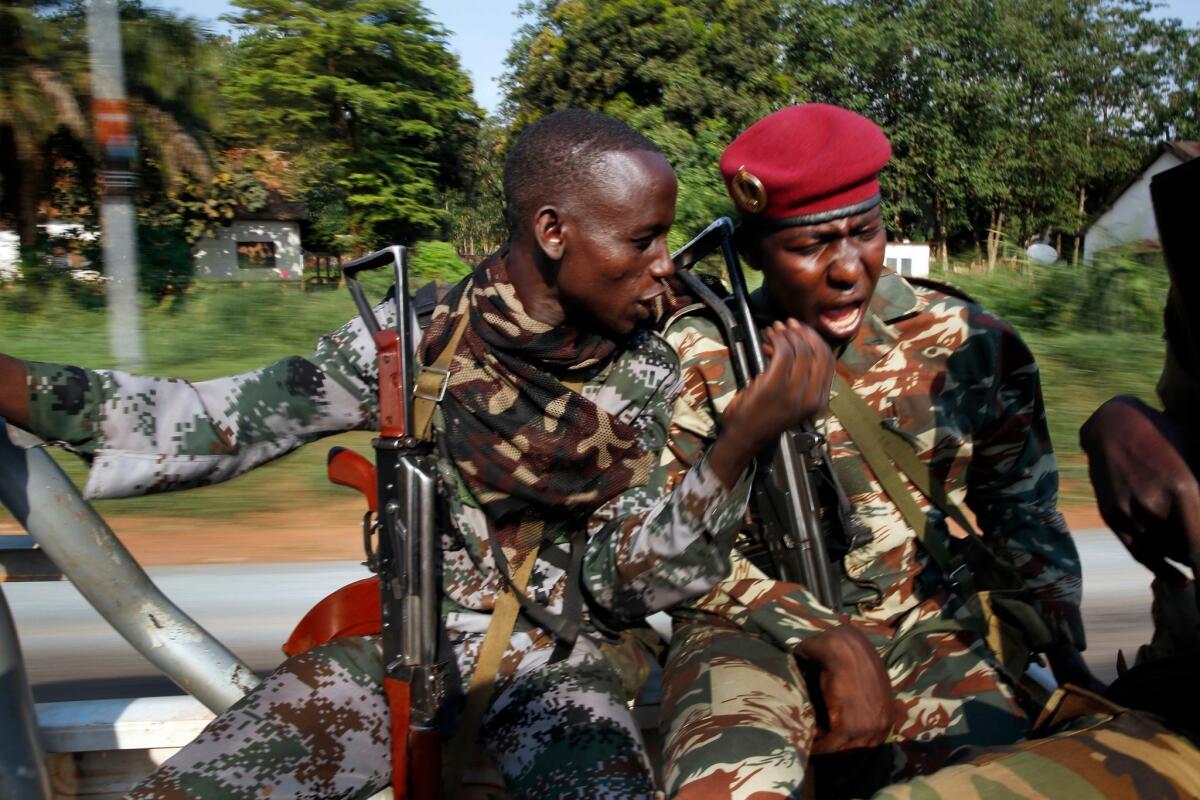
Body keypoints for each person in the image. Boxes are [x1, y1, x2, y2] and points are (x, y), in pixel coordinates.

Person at [0, 110, 833, 799]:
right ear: (553, 232)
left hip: (569, 664)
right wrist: (12, 383)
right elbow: (215, 421)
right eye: (642, 240)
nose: (664, 269)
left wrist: (732, 454)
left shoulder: (653, 360)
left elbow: (636, 582)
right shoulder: (413, 338)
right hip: (408, 650)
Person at [655, 104, 1088, 799]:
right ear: (758, 247)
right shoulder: (698, 355)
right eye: (813, 245)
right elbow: (663, 545)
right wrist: (824, 638)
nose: (849, 269)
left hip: (925, 623)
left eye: (865, 233)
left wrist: (1061, 643)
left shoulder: (964, 338)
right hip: (745, 632)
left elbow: (1021, 506)